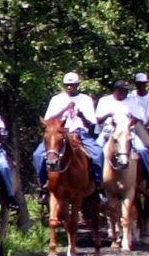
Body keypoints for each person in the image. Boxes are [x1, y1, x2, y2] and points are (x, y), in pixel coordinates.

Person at [33, 72, 101, 204]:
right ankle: (42, 186)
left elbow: (90, 124)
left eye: (72, 85)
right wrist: (64, 109)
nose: (70, 87)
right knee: (38, 155)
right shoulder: (57, 99)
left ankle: (99, 186)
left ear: (77, 85)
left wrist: (81, 115)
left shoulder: (85, 99)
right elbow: (48, 120)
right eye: (67, 85)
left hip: (79, 133)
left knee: (98, 154)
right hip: (58, 134)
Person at [95, 81, 149, 187]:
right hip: (109, 131)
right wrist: (108, 115)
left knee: (142, 150)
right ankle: (97, 180)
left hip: (127, 132)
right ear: (116, 90)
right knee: (96, 151)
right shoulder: (104, 101)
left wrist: (133, 118)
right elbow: (98, 120)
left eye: (126, 90)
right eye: (123, 90)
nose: (125, 92)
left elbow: (140, 119)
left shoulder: (132, 101)